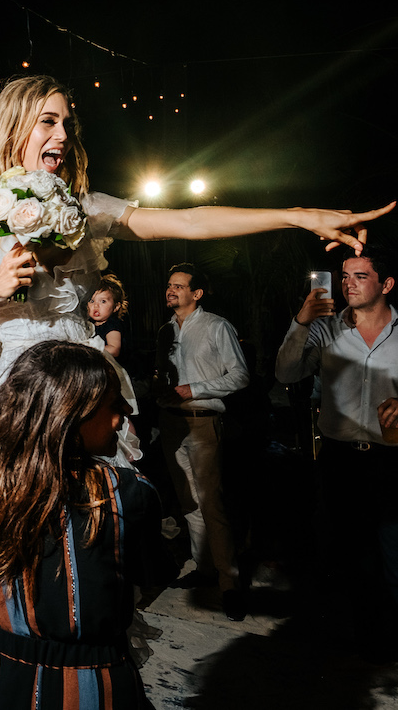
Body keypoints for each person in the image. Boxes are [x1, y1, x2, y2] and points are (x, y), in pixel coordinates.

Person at [0, 74, 395, 396]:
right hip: (25, 383)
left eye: (67, 123)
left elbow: (190, 221)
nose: (62, 134)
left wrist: (298, 215)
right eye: (48, 121)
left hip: (87, 375)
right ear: (13, 127)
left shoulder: (83, 210)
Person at [275, 245, 398, 710]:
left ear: (386, 284)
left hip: (394, 463)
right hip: (339, 461)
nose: (348, 283)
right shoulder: (324, 329)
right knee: (347, 562)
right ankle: (369, 649)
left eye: (361, 275)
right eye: (344, 275)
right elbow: (286, 371)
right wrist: (301, 320)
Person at [0, 341, 176, 710]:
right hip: (92, 690)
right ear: (73, 412)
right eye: (115, 402)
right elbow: (150, 576)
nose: (126, 413)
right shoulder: (125, 494)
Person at [154, 263, 247, 620]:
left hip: (204, 422)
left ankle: (230, 583)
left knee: (212, 504)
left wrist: (197, 388)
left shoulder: (216, 326)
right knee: (188, 503)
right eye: (169, 285)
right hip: (171, 424)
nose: (171, 290)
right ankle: (204, 567)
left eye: (179, 286)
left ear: (197, 294)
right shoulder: (165, 331)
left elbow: (240, 375)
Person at [87, 273, 129, 359]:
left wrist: (88, 348)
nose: (96, 306)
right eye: (92, 301)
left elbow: (114, 350)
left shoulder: (112, 325)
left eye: (103, 301)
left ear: (116, 307)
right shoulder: (88, 323)